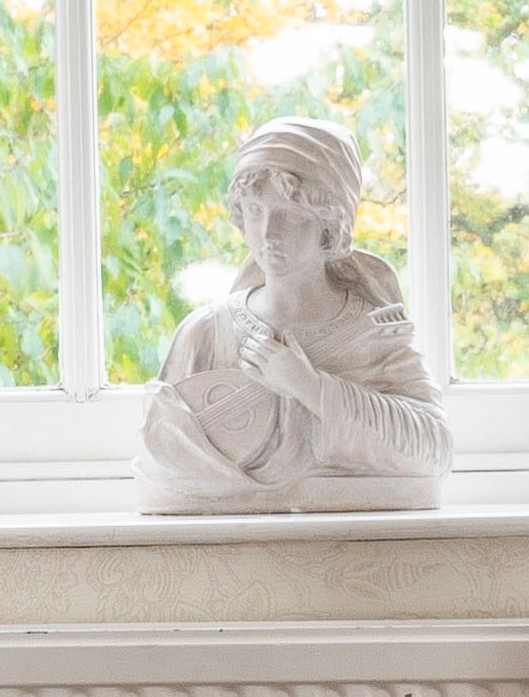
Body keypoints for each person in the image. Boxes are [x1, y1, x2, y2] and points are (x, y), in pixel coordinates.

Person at [137, 117, 451, 515]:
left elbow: (433, 450)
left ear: (330, 227)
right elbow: (163, 456)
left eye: (292, 214)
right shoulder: (205, 333)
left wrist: (310, 387)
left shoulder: (374, 334)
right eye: (254, 209)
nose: (268, 232)